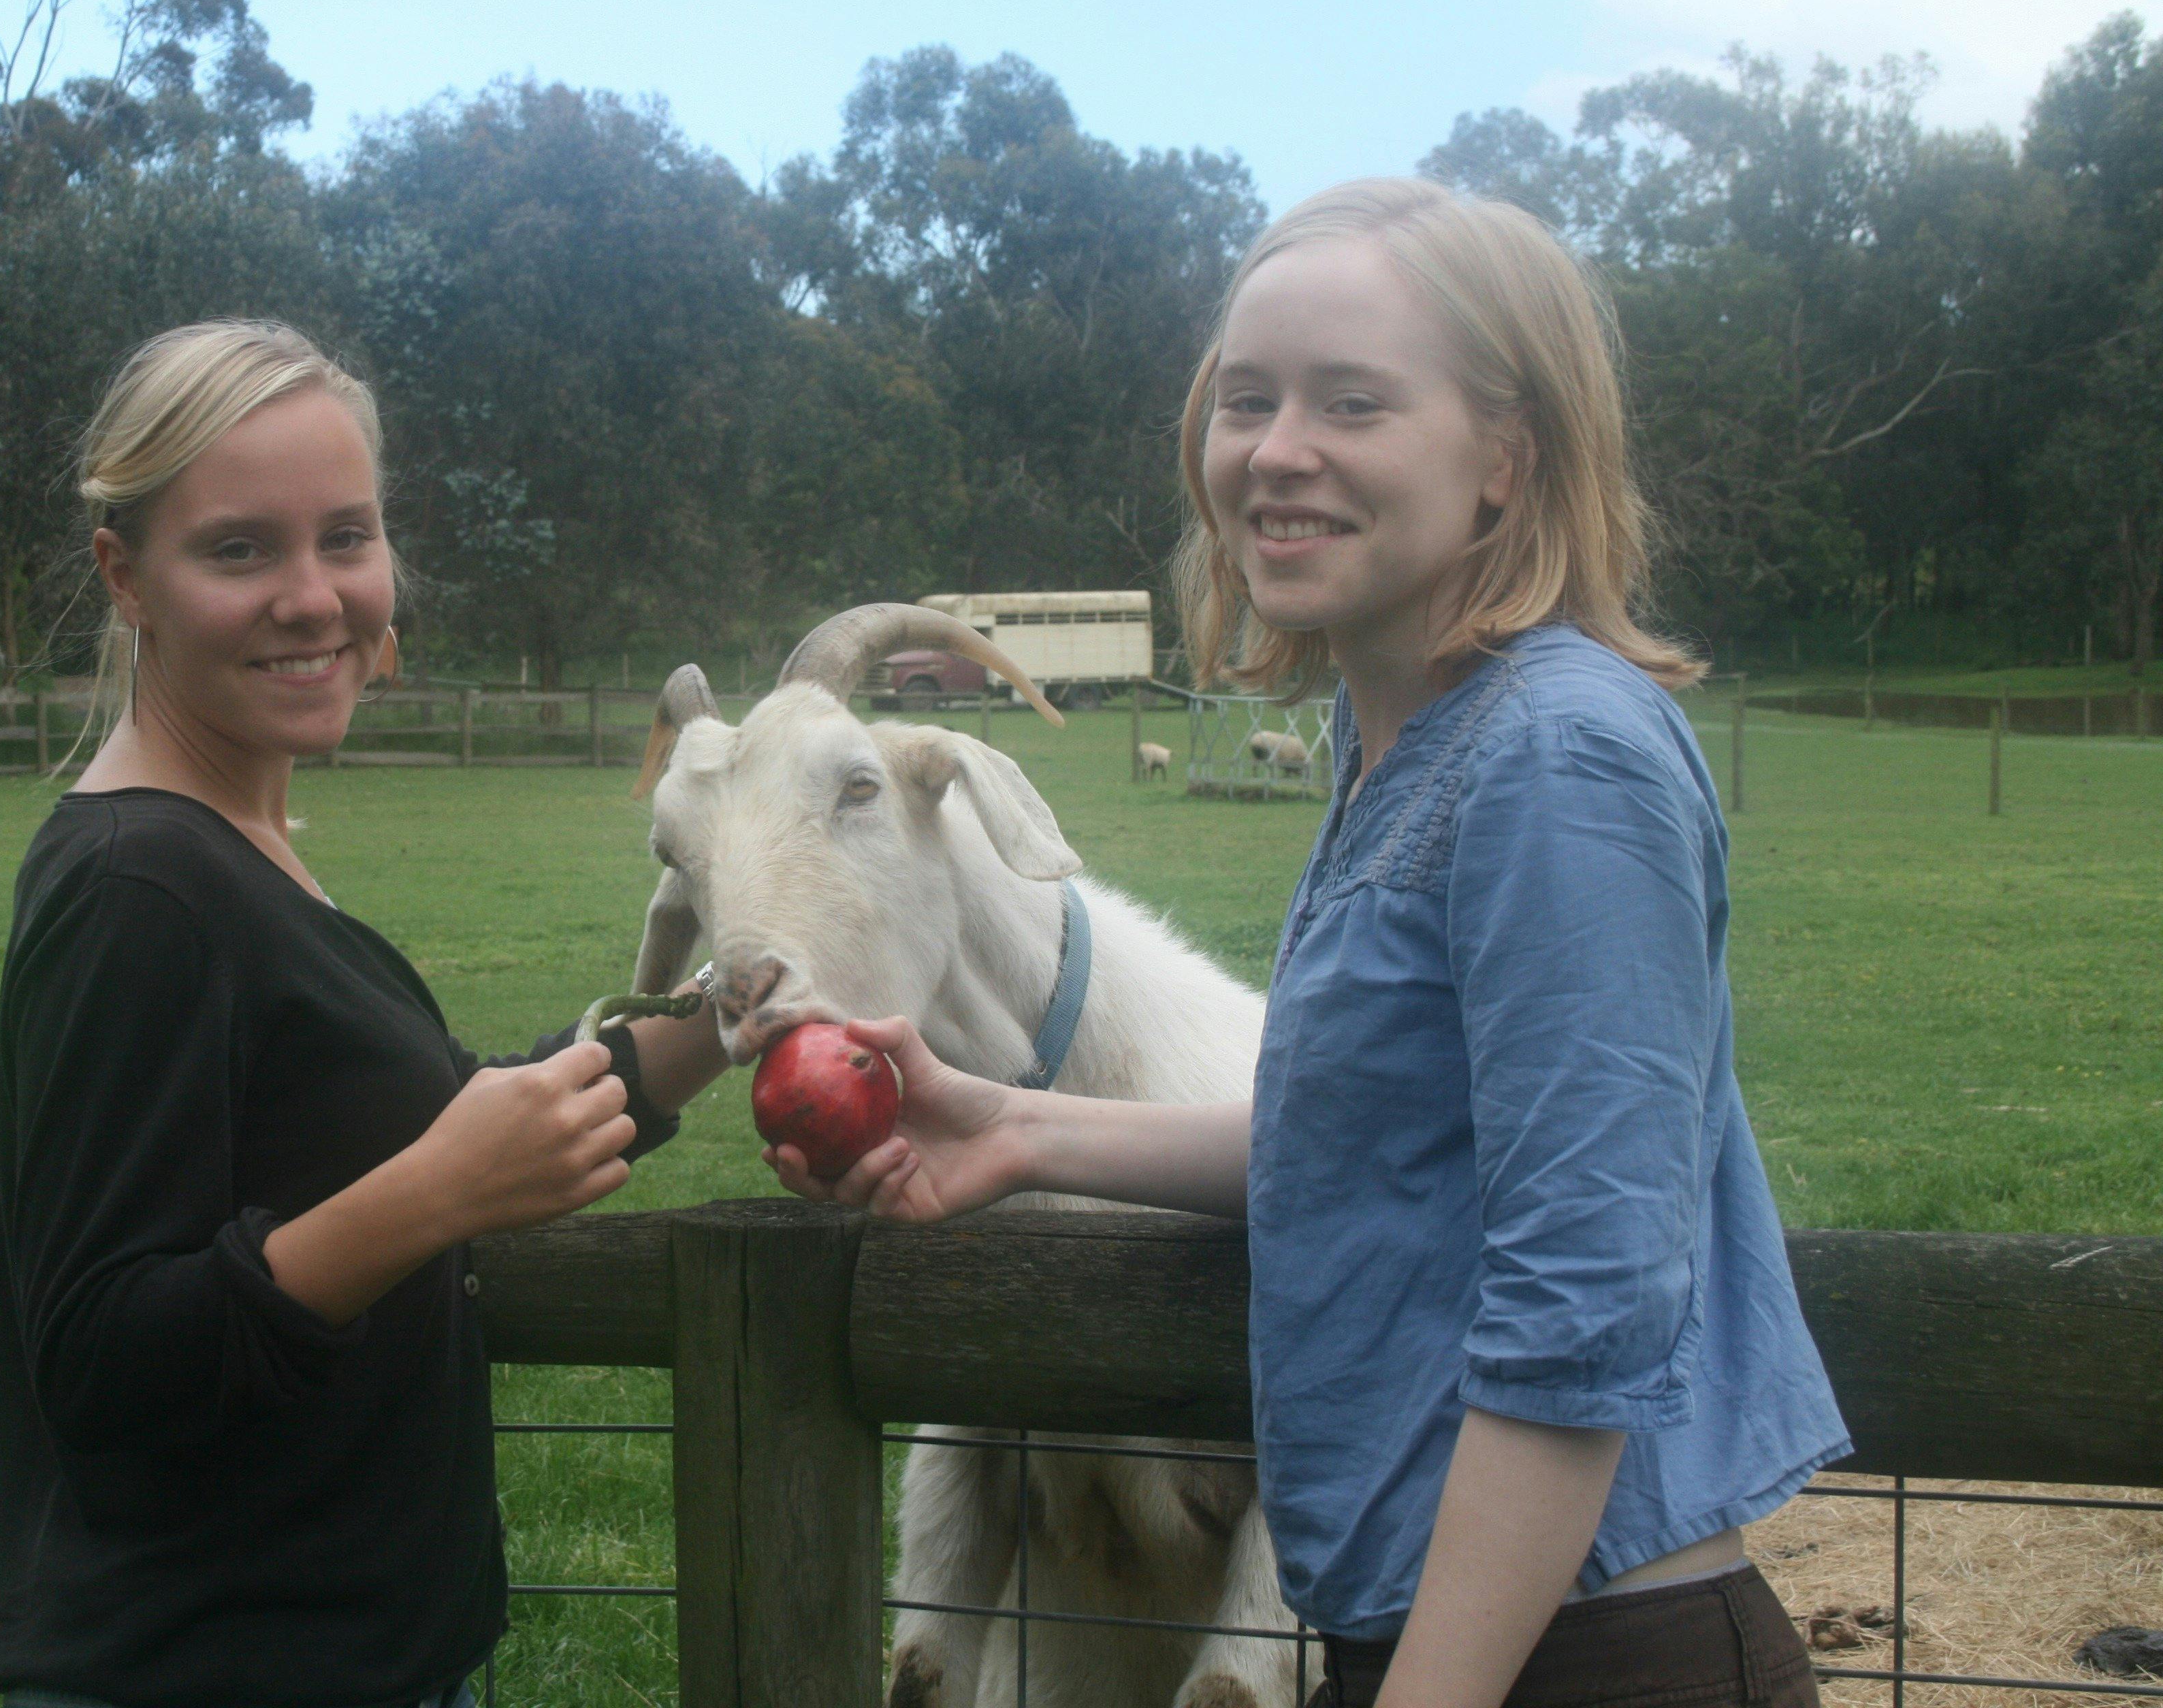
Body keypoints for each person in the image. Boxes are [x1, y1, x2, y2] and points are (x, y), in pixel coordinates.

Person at [771, 180, 1852, 1708]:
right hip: (1453, 1646)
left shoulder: (1560, 758)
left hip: (1579, 1659)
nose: (1276, 451)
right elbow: (1367, 1146)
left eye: (1353, 402)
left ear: (1505, 457)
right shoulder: (1400, 733)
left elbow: (1583, 1312)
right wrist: (1006, 1124)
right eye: (1245, 398)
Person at [0, 320, 727, 1708]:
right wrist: (436, 1196)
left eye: (348, 536)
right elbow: (97, 1364)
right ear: (123, 574)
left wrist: (735, 1015)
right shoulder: (138, 888)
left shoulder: (229, 847)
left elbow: (439, 1121)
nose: (317, 597)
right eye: (240, 549)